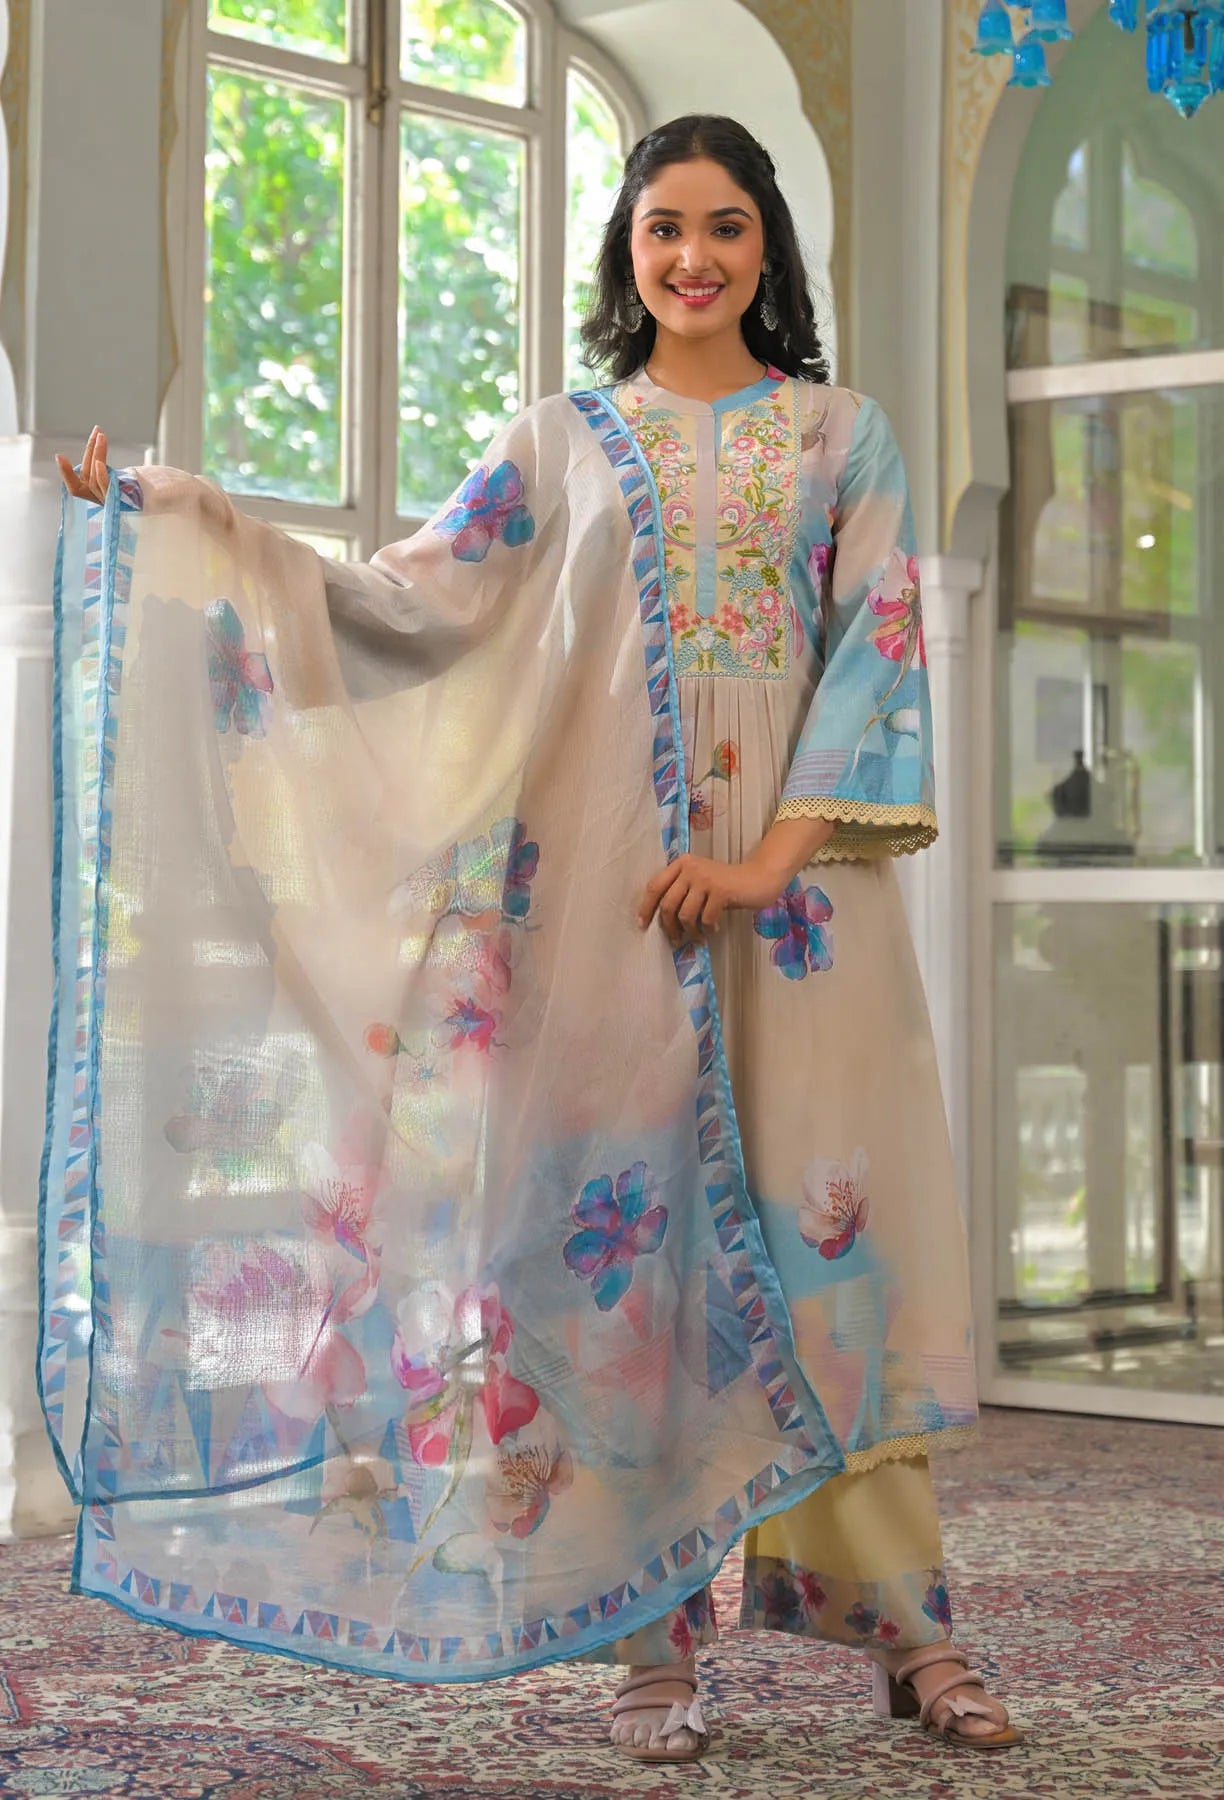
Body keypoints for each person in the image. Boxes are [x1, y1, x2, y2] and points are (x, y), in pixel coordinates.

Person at [53, 115, 1017, 1764]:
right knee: (622, 1263)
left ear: (769, 247)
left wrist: (757, 865)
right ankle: (650, 1644)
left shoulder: (842, 435)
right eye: (663, 229)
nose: (694, 257)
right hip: (610, 909)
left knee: (829, 1252)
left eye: (726, 226)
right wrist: (188, 516)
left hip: (799, 910)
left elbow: (879, 661)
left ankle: (912, 1632)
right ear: (625, 252)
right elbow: (407, 601)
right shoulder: (559, 445)